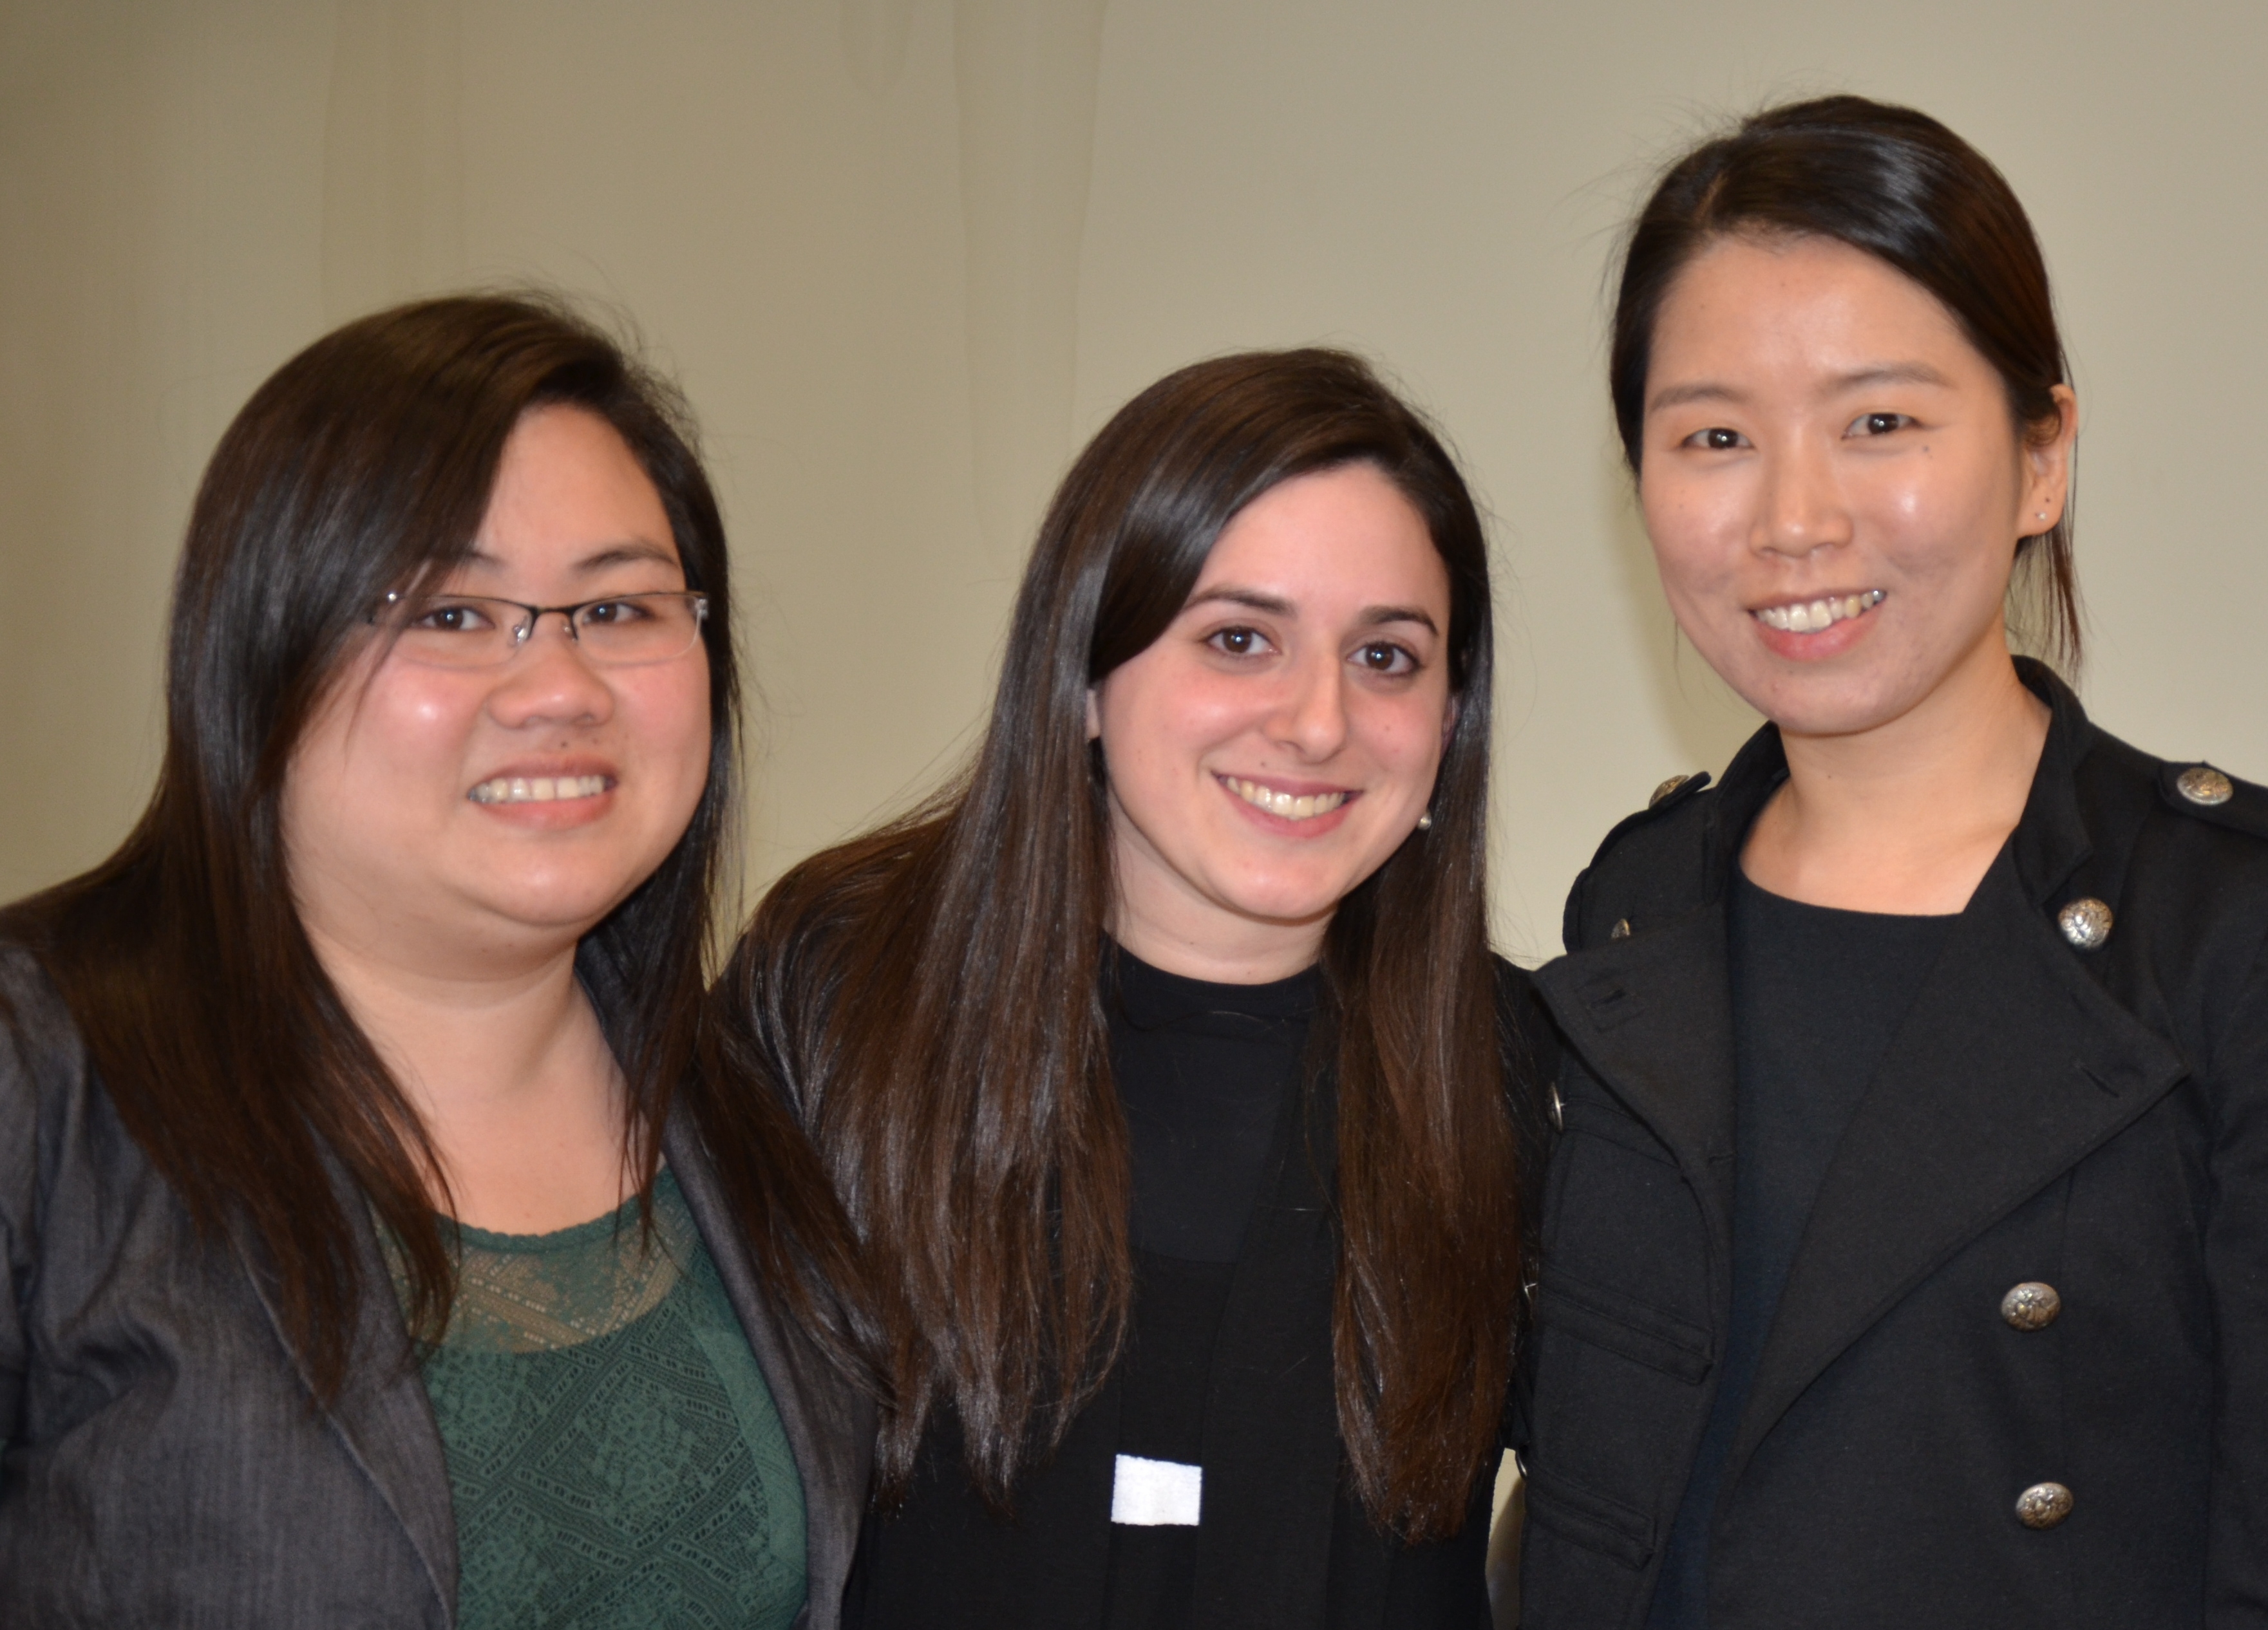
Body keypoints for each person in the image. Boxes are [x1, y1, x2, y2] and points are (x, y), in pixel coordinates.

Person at [0, 294, 874, 1627]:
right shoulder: (39, 1078)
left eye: (621, 605)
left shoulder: (763, 1101)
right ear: (262, 652)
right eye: (456, 615)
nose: (558, 688)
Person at [1515, 95, 2268, 1626]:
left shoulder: (2223, 925)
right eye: (1715, 437)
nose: (1793, 519)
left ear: (2042, 457)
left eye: (1881, 422)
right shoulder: (1635, 906)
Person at [715, 348, 1551, 1629]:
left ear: (1453, 721)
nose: (1317, 723)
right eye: (1238, 639)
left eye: (1387, 659)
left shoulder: (1512, 1073)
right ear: (1086, 670)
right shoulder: (837, 988)